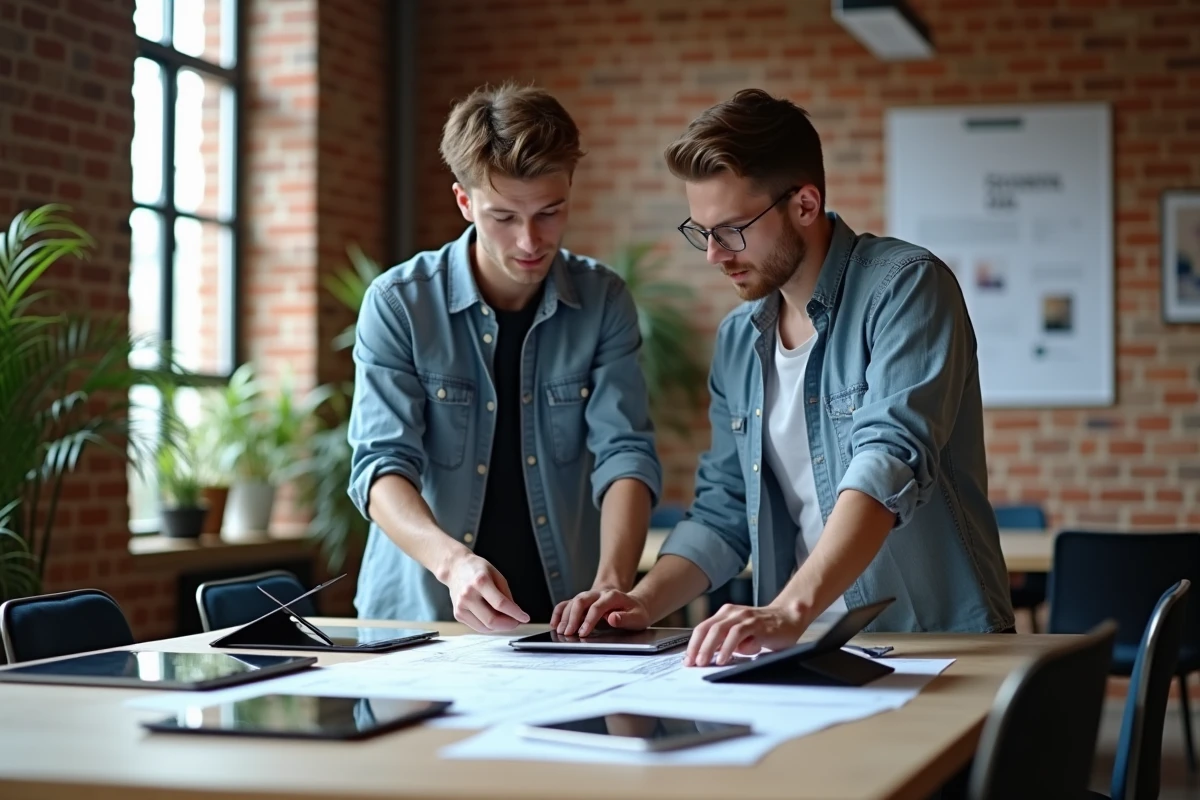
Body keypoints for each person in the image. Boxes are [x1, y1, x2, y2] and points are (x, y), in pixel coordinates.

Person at [550, 88, 1014, 665]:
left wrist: (790, 609)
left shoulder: (907, 288)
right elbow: (723, 510)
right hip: (798, 653)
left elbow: (888, 460)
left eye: (732, 229)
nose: (714, 255)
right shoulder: (738, 340)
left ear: (804, 203)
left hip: (934, 644)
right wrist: (642, 601)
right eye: (702, 232)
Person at [347, 83, 662, 630]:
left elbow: (625, 454)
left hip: (564, 616)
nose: (529, 241)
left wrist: (611, 582)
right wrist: (453, 564)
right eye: (503, 218)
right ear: (464, 202)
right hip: (422, 617)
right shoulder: (399, 303)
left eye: (550, 212)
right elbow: (380, 466)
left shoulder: (604, 299)